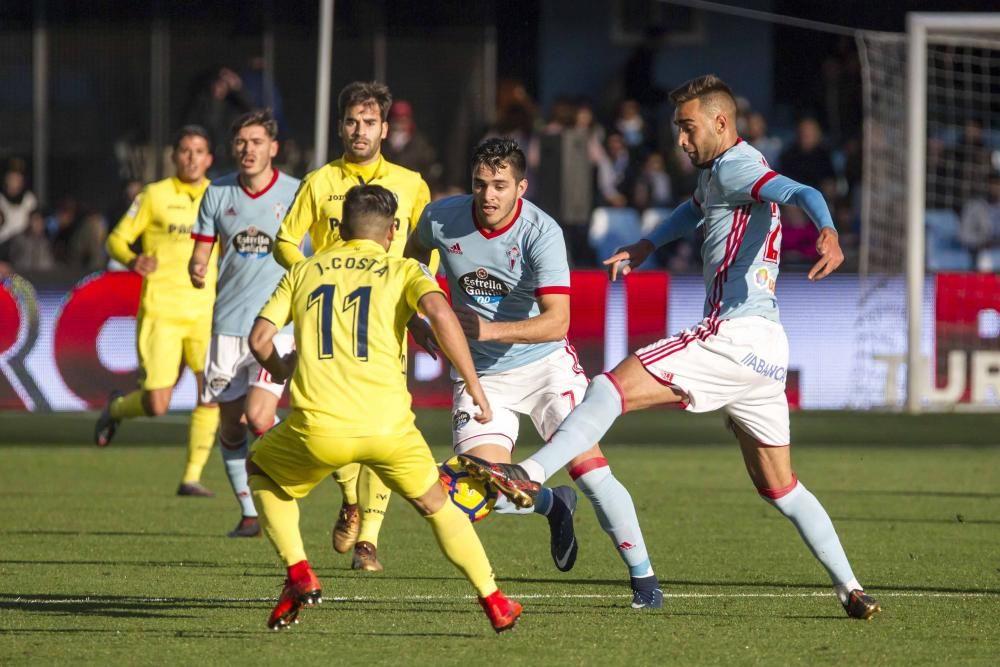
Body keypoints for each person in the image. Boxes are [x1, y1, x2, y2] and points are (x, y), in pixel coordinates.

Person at [461, 75, 881, 621]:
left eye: (688, 128)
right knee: (781, 487)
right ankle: (851, 588)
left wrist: (827, 230)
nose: (680, 140)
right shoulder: (718, 173)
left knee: (610, 386)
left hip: (732, 334)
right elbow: (695, 208)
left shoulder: (736, 165)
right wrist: (645, 243)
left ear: (720, 123)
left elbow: (805, 192)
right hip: (767, 351)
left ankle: (534, 475)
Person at [246, 184, 521, 632]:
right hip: (389, 429)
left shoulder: (305, 270)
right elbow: (443, 316)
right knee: (438, 505)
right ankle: (494, 598)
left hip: (319, 427)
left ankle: (298, 570)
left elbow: (259, 340)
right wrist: (474, 385)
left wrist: (280, 371)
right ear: (393, 231)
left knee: (259, 468)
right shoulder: (403, 269)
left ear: (338, 229)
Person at [404, 137, 663, 608]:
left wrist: (486, 328)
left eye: (500, 185)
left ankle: (645, 580)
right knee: (473, 499)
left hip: (545, 367)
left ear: (520, 187)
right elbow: (410, 258)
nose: (488, 195)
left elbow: (558, 321)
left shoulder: (541, 232)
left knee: (589, 470)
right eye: (481, 184)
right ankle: (551, 503)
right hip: (479, 376)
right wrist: (417, 317)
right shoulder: (441, 217)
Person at [274, 81, 434, 572]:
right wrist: (315, 272)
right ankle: (348, 496)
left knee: (384, 421)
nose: (359, 131)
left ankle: (368, 540)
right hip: (328, 325)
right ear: (340, 125)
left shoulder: (411, 184)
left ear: (385, 129)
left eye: (368, 123)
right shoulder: (320, 182)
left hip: (385, 323)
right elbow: (285, 241)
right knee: (329, 416)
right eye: (351, 122)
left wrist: (417, 302)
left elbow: (423, 250)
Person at [188, 109, 301, 537]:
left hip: (276, 327)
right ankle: (250, 511)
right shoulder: (216, 193)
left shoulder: (295, 193)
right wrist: (197, 269)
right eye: (240, 142)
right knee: (231, 424)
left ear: (273, 147)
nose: (247, 150)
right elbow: (200, 253)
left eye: (256, 142)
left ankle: (289, 481)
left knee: (259, 416)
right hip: (227, 326)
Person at [94, 126, 221, 498]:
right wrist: (133, 259)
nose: (192, 157)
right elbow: (115, 239)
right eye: (185, 150)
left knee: (210, 392)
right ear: (174, 156)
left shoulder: (220, 195)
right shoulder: (155, 195)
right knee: (156, 403)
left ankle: (191, 477)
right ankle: (117, 408)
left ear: (209, 158)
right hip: (161, 311)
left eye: (199, 151)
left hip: (205, 313)